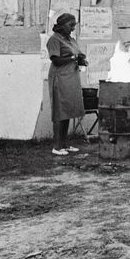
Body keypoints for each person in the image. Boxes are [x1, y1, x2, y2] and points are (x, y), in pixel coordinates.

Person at [47, 13, 87, 156]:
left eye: (74, 25)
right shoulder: (54, 40)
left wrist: (81, 59)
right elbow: (56, 60)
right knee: (60, 111)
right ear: (61, 25)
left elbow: (77, 54)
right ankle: (57, 146)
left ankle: (65, 143)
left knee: (68, 111)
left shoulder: (71, 39)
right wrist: (72, 57)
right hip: (60, 77)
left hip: (71, 78)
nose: (72, 28)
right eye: (70, 25)